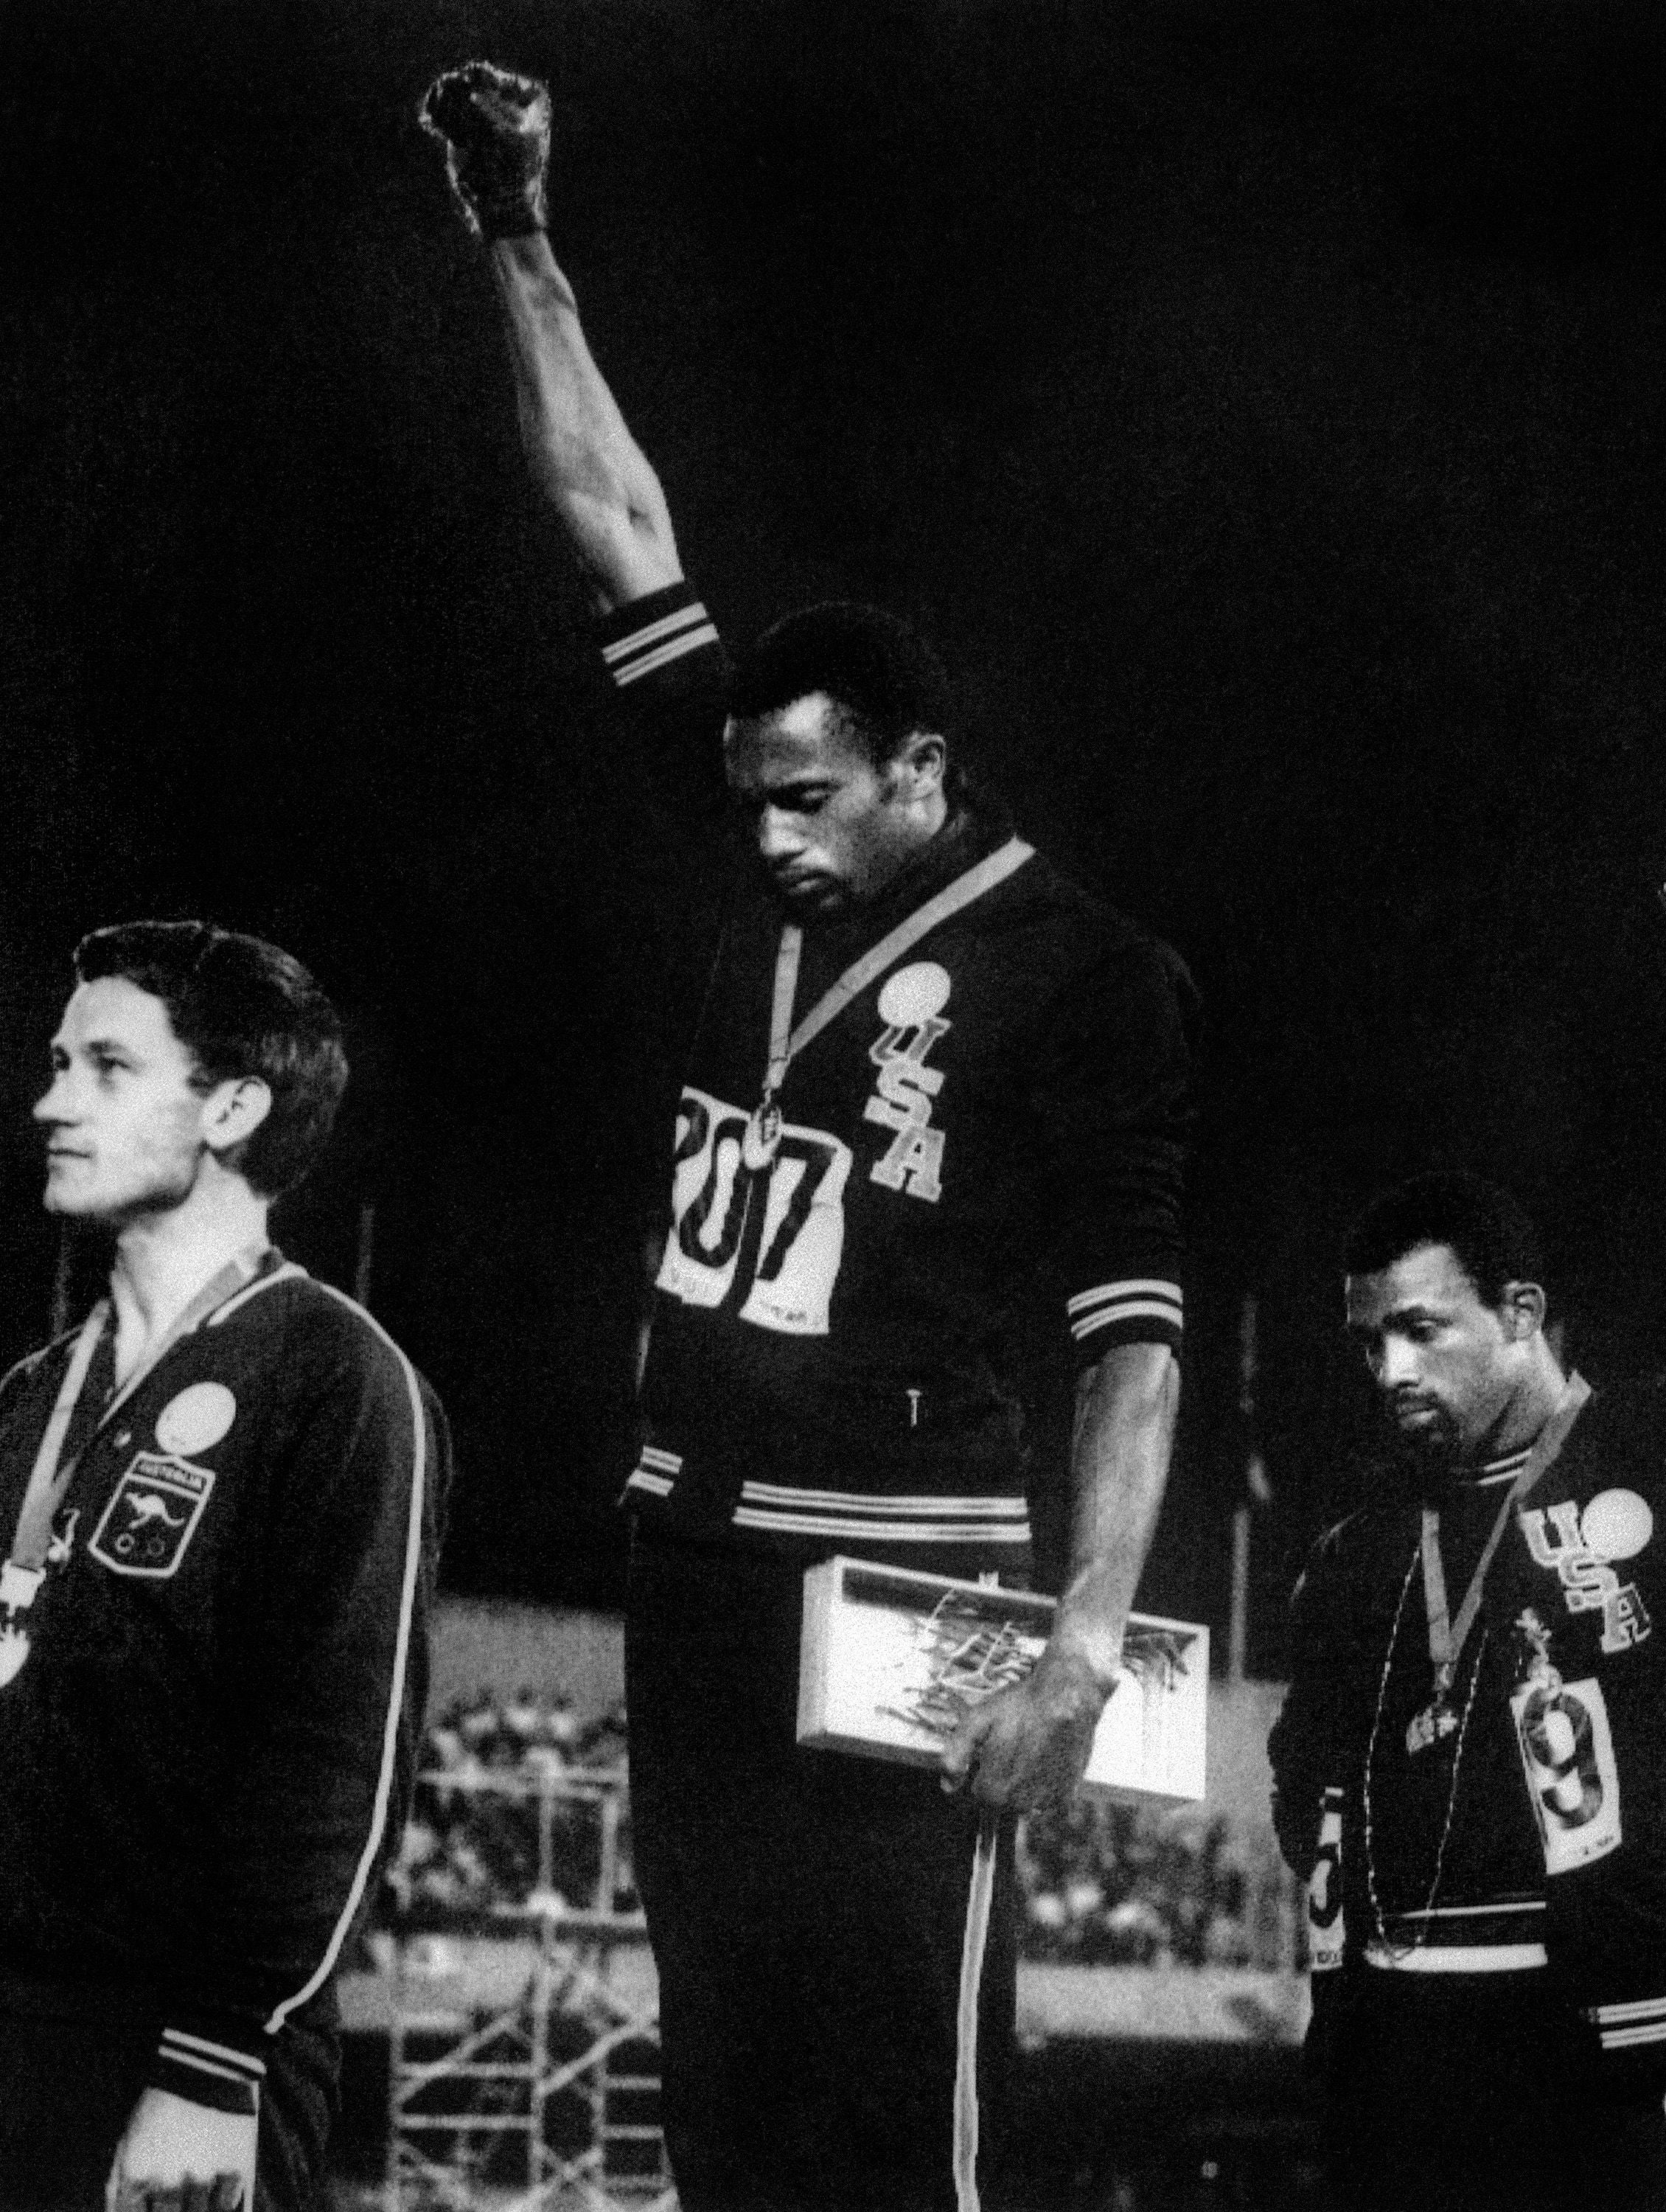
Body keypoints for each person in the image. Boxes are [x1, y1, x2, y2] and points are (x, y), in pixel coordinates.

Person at [420, 62, 1196, 2212]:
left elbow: (1133, 1341)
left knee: (911, 2105)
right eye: (747, 791)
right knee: (727, 2093)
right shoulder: (741, 832)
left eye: (808, 799)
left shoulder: (1086, 974)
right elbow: (613, 525)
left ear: (924, 770)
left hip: (908, 1578)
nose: (756, 832)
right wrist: (514, 229)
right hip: (692, 1566)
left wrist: (1085, 1641)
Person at [1269, 837, 1666, 2212]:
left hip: (1596, 2037)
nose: (1390, 1372)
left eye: (1421, 1329)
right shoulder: (1355, 1557)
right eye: (1366, 1346)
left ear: (1519, 1313)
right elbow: (1304, 1804)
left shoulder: (1663, 1451)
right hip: (1395, 2043)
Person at [0, 922, 448, 2212]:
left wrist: (212, 2061)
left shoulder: (340, 1381)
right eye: (55, 1062)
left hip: (183, 2051)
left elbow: (335, 1764)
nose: (51, 1102)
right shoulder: (32, 1396)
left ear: (233, 1107)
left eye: (104, 1068)